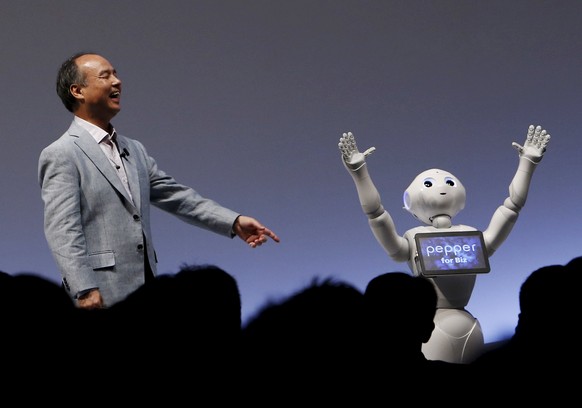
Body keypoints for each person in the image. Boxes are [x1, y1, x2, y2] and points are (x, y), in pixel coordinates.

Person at [39, 52, 280, 310]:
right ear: (77, 91)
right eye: (105, 75)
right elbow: (62, 230)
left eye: (116, 74)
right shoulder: (62, 153)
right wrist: (84, 288)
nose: (117, 82)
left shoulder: (134, 150)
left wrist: (232, 221)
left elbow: (177, 197)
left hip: (145, 289)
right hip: (100, 292)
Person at [337, 125, 550, 363]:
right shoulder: (414, 236)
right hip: (434, 330)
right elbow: (377, 216)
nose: (441, 187)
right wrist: (360, 174)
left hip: (468, 327)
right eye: (428, 184)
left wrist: (527, 165)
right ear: (409, 200)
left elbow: (511, 208)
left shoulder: (469, 235)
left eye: (449, 182)